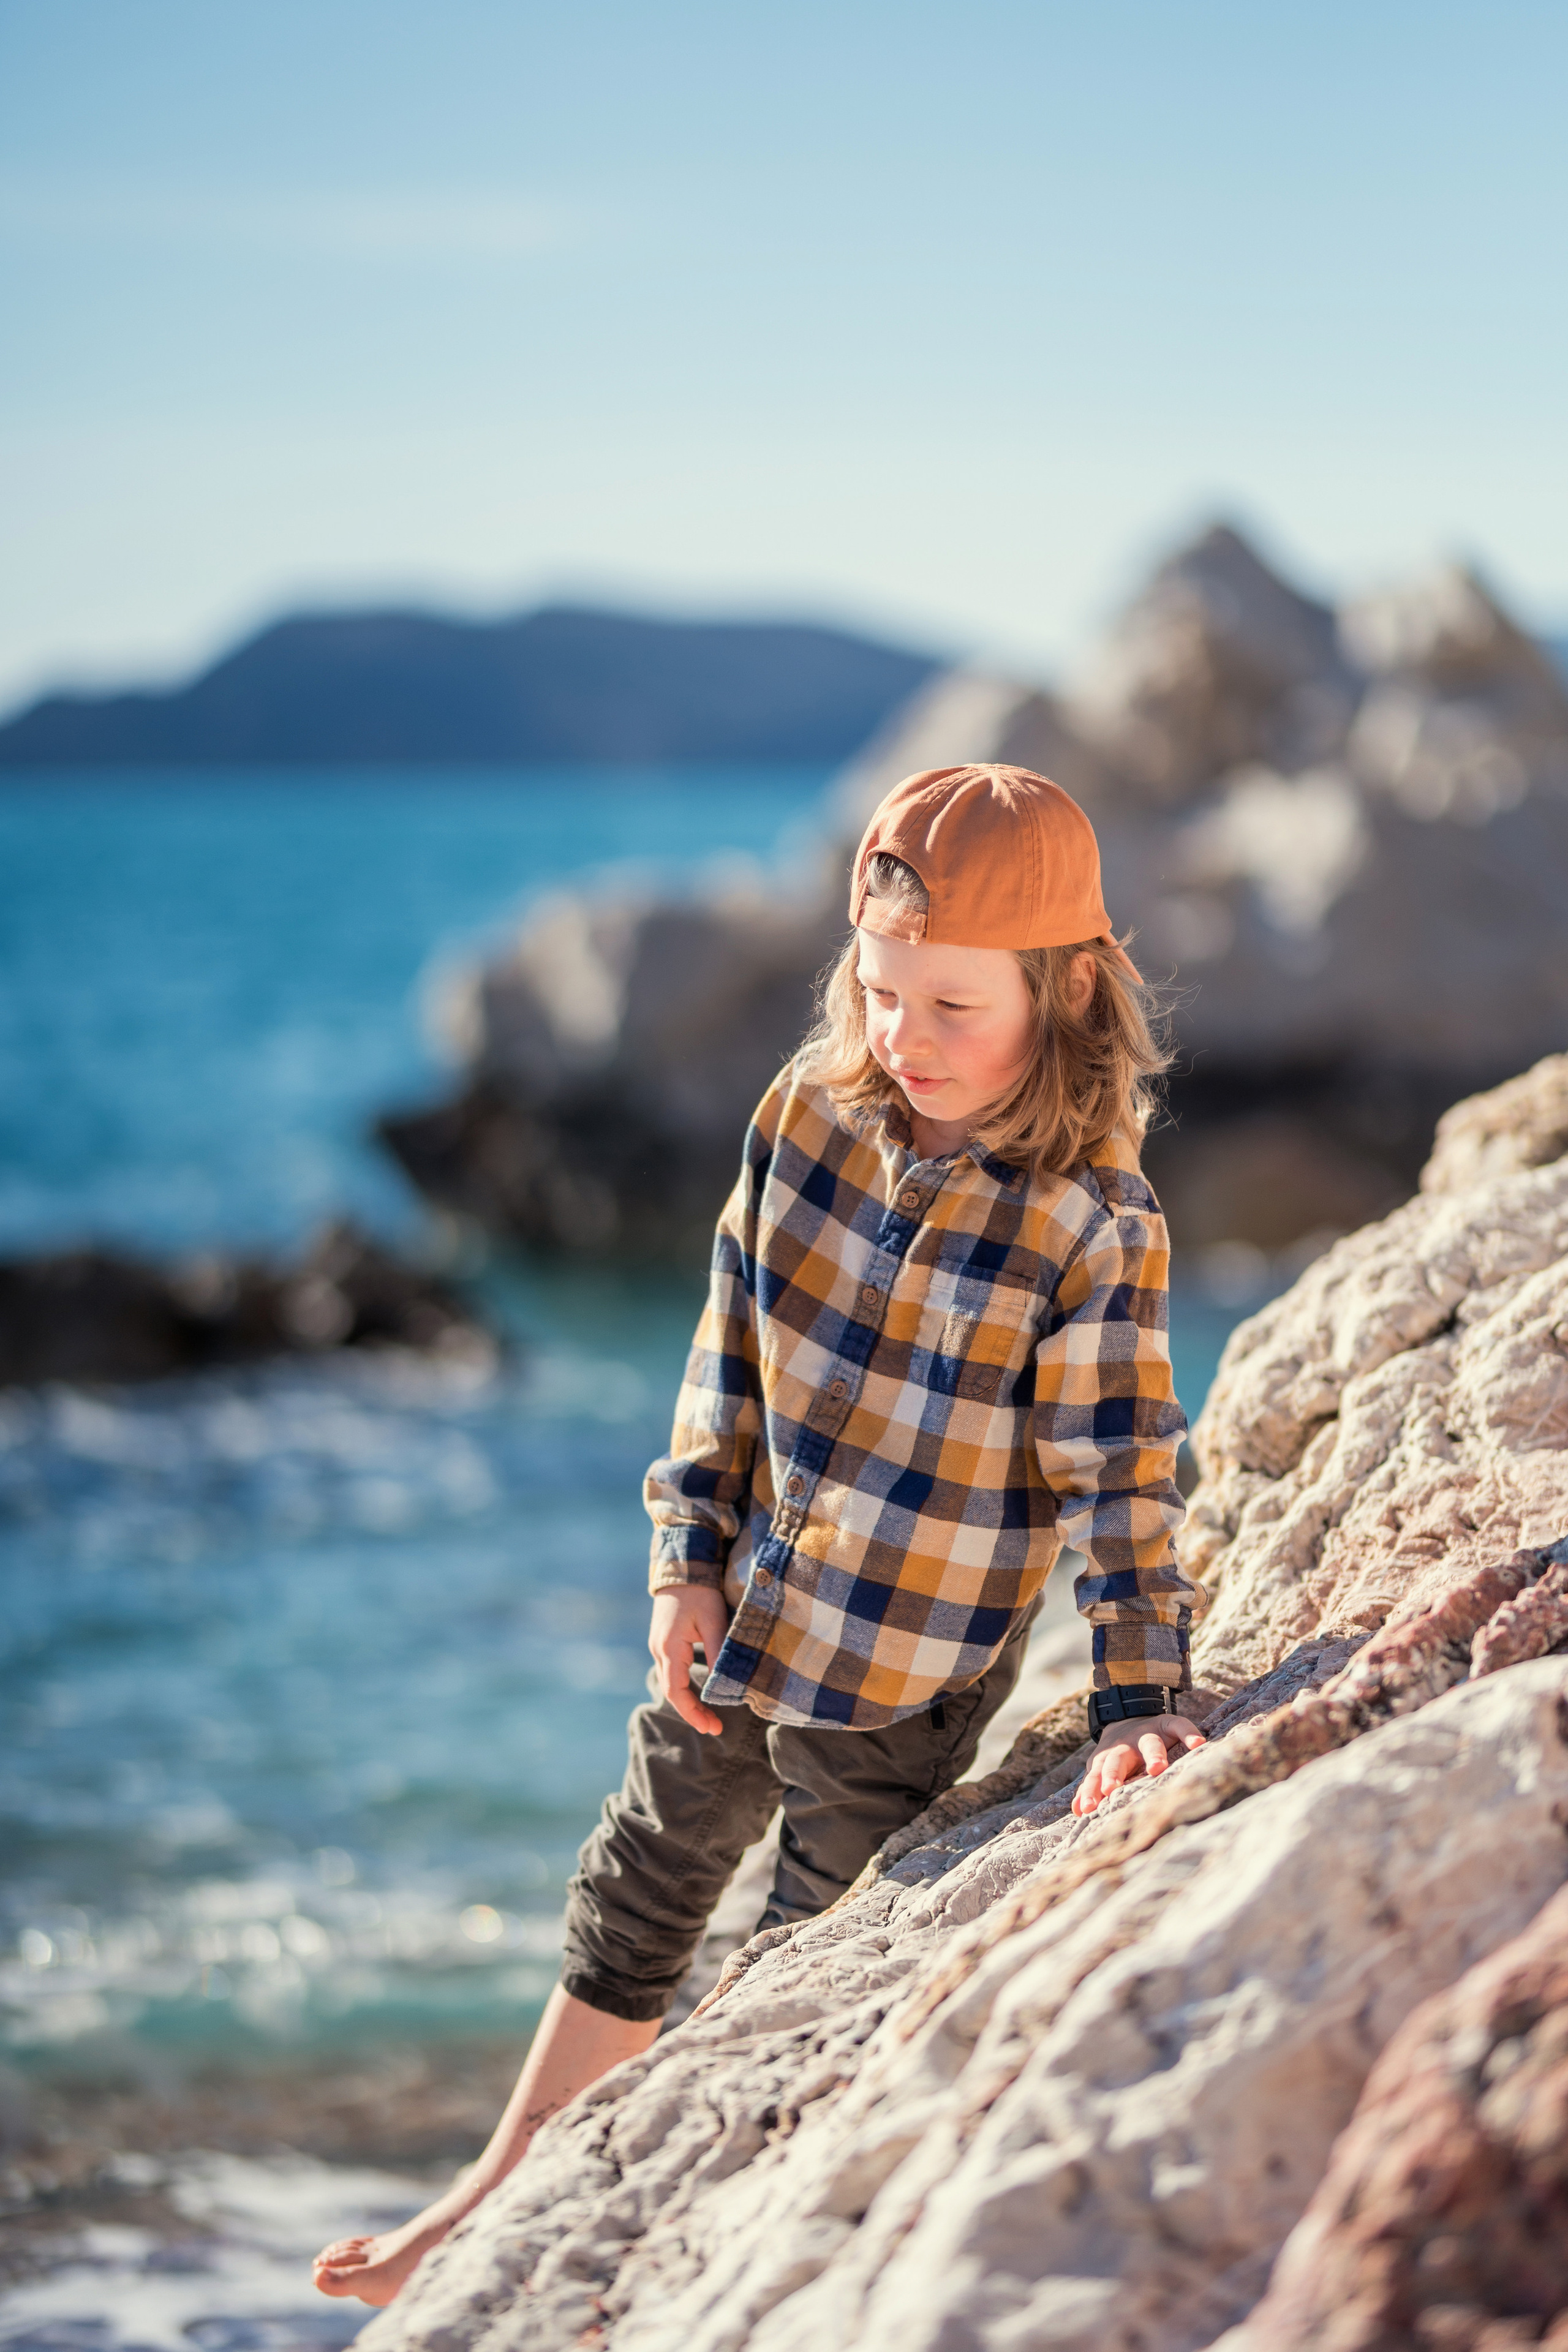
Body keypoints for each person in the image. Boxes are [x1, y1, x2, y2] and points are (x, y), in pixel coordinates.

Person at [314, 763, 1207, 2307]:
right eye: (878, 993)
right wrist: (685, 1557)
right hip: (745, 1603)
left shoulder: (1089, 1221)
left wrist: (1140, 1695)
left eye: (951, 1009)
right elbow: (725, 1350)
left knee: (795, 1966)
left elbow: (1117, 1468)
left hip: (899, 1674)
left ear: (1065, 995)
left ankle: (674, 2268)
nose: (901, 1042)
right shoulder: (804, 1115)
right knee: (643, 1876)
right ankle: (495, 2189)